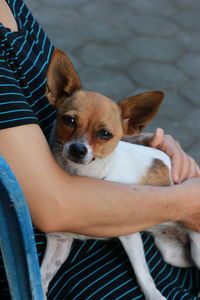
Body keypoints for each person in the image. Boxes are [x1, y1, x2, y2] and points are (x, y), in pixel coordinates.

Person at [0, 0, 199, 299]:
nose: (81, 144)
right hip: (49, 238)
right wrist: (187, 202)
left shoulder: (12, 5)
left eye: (103, 134)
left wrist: (135, 142)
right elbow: (53, 209)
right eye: (70, 122)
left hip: (133, 212)